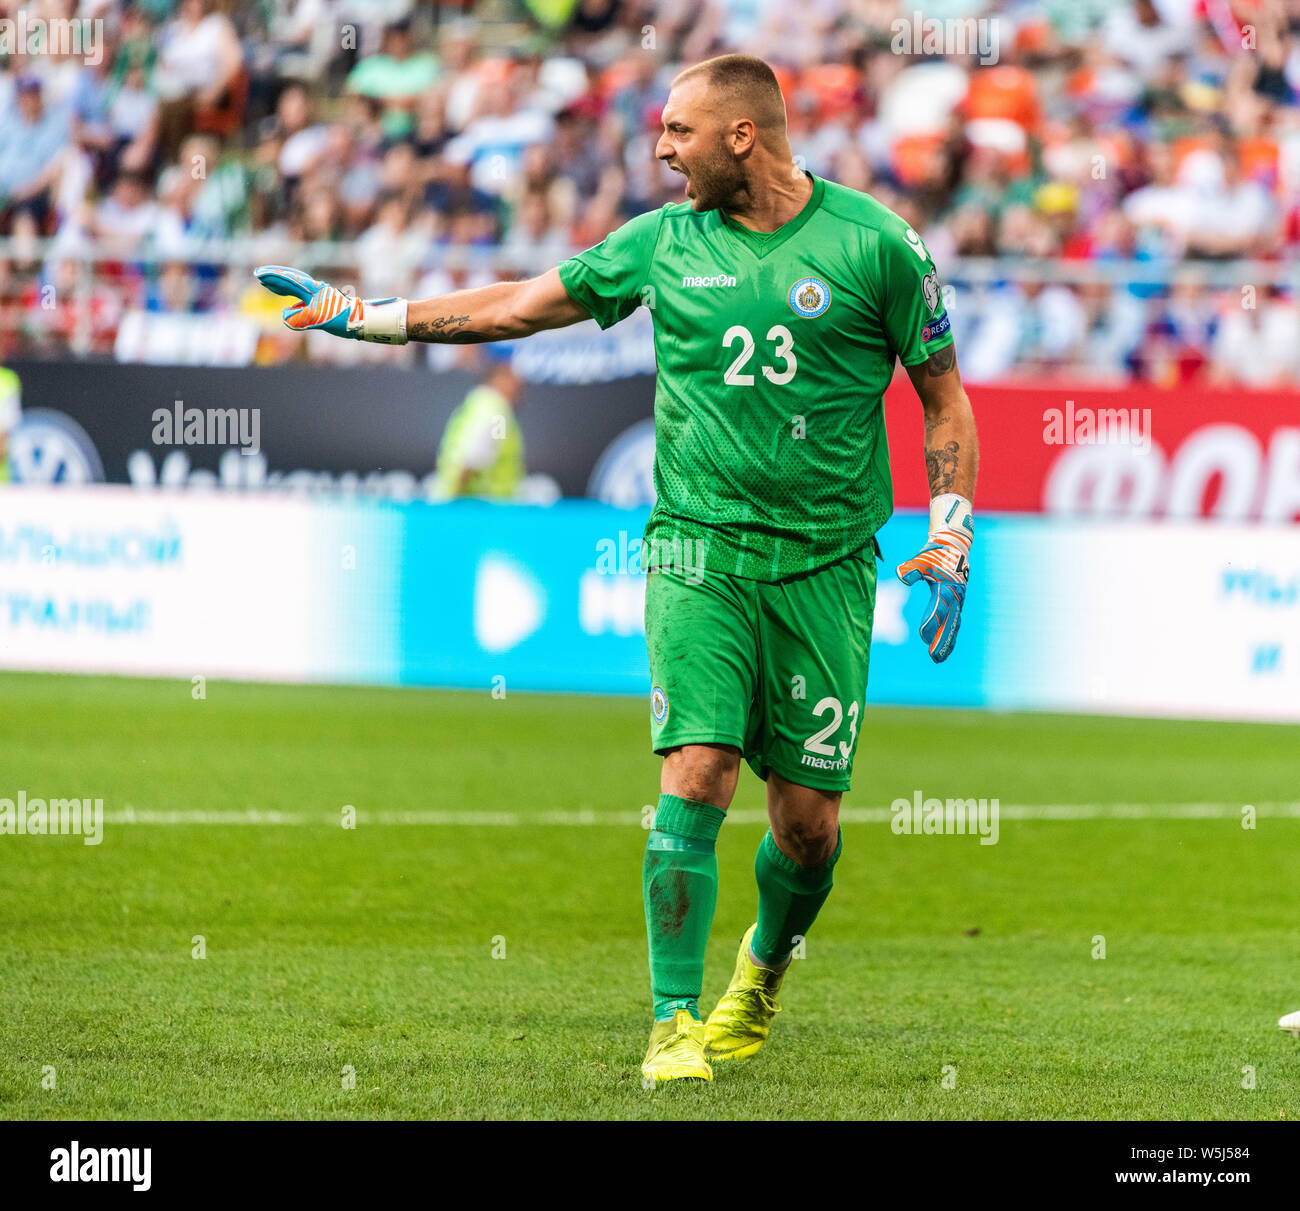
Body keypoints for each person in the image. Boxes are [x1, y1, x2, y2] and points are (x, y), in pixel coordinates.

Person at [254, 53, 979, 1084]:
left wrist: (947, 529)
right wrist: (361, 315)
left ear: (741, 136)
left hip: (826, 560)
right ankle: (672, 1020)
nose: (660, 150)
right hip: (697, 546)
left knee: (807, 826)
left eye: (678, 132)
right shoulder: (662, 244)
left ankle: (761, 973)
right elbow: (523, 304)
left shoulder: (875, 246)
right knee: (699, 768)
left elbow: (942, 396)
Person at [434, 344, 525, 499]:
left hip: (466, 505)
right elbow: (475, 457)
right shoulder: (496, 411)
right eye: (513, 378)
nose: (520, 386)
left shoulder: (477, 404)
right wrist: (458, 500)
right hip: (479, 510)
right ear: (499, 379)